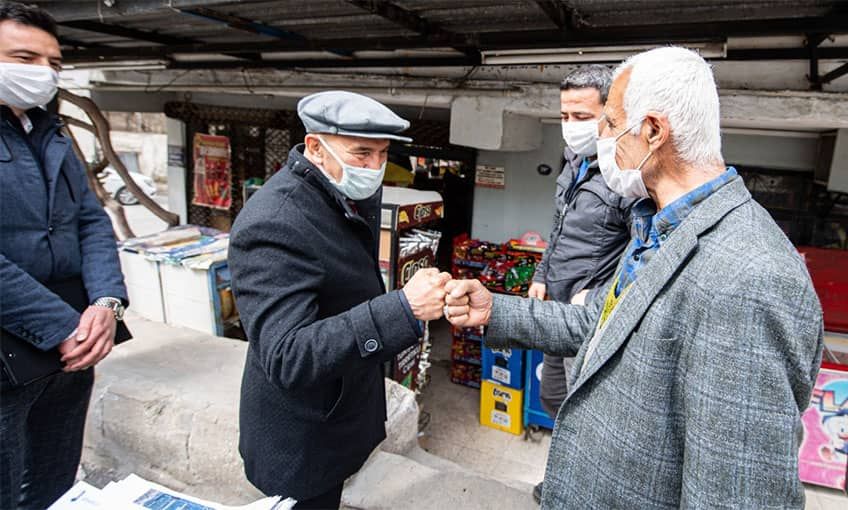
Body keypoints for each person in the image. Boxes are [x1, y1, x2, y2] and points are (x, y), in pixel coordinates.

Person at [444, 47, 823, 509]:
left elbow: (735, 496)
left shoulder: (750, 276)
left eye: (608, 123)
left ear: (652, 130)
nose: (600, 138)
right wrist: (496, 309)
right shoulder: (656, 224)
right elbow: (601, 325)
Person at [229, 91, 450, 509]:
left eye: (382, 154)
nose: (374, 167)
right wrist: (403, 308)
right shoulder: (275, 222)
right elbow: (288, 355)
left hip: (336, 410)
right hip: (301, 436)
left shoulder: (338, 191)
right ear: (315, 147)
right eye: (362, 153)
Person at [0, 3, 128, 509]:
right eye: (23, 57)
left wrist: (105, 304)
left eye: (52, 63)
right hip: (19, 341)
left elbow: (90, 220)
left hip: (74, 344)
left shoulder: (49, 128)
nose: (42, 73)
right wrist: (63, 326)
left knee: (55, 479)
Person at [526, 65, 634, 504]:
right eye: (565, 115)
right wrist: (541, 275)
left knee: (585, 410)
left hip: (590, 318)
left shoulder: (626, 173)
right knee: (554, 396)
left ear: (609, 113)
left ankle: (574, 489)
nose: (570, 126)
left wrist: (603, 293)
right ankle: (567, 474)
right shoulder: (574, 161)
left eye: (581, 116)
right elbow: (559, 225)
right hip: (558, 304)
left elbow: (641, 247)